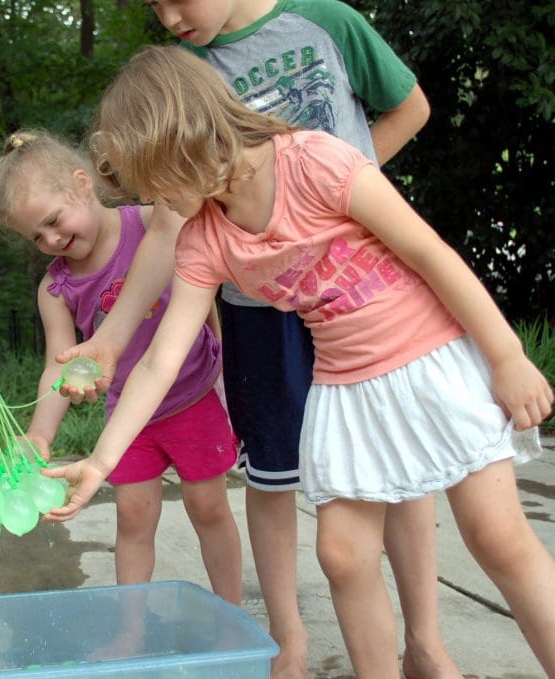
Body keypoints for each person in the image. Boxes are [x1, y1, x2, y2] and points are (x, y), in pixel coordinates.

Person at [43, 44, 555, 678]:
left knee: (497, 539)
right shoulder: (207, 235)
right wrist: (101, 460)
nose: (159, 206)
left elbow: (430, 252)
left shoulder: (315, 161)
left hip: (428, 356)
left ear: (183, 138)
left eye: (158, 183)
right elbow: (159, 361)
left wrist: (506, 355)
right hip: (344, 384)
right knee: (342, 555)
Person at [0, 129, 243, 608]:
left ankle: (232, 610)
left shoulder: (153, 225)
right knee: (133, 518)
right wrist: (40, 436)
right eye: (36, 236)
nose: (52, 239)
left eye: (54, 221)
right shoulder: (55, 288)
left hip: (194, 397)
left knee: (209, 507)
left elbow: (204, 296)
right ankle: (130, 626)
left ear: (82, 184)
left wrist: (221, 359)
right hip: (129, 417)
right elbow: (58, 367)